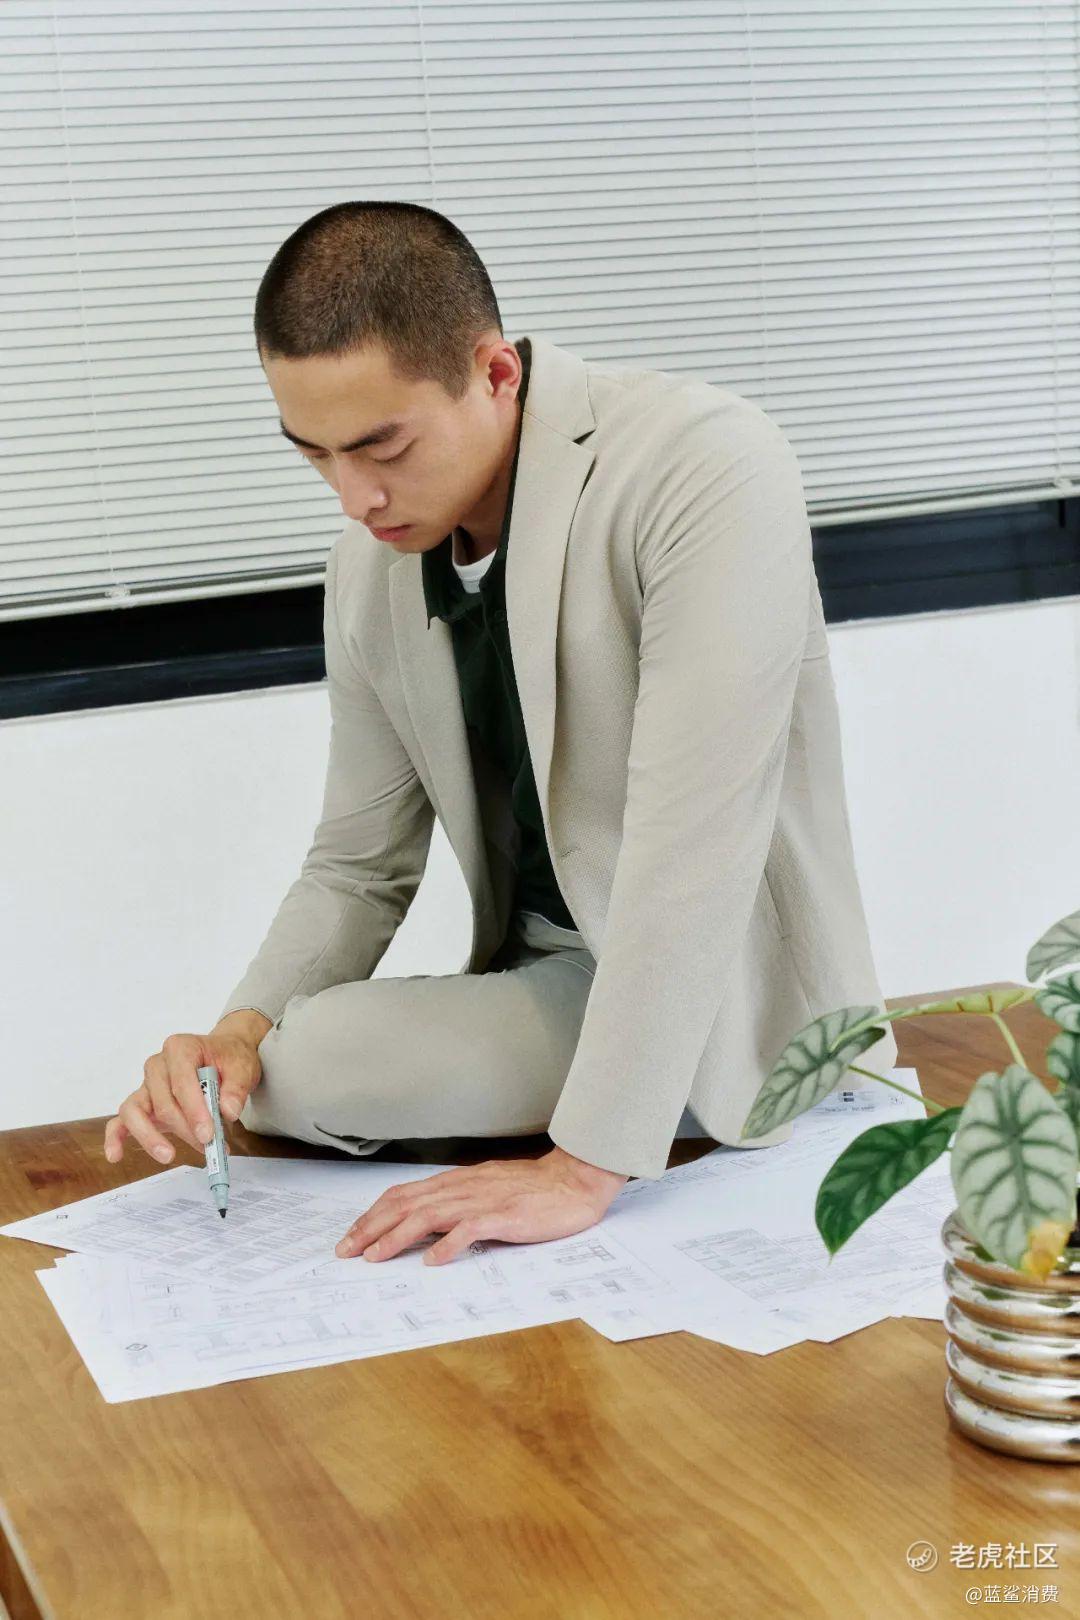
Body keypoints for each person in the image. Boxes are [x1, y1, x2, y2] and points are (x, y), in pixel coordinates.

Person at [103, 200, 898, 1266]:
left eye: (383, 446)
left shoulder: (706, 464)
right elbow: (357, 864)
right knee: (295, 1070)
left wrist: (583, 1167)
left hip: (721, 984)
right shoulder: (372, 565)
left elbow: (693, 850)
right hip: (552, 977)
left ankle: (653, 1099)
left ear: (496, 372)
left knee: (324, 1067)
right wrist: (234, 1037)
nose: (354, 498)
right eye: (315, 455)